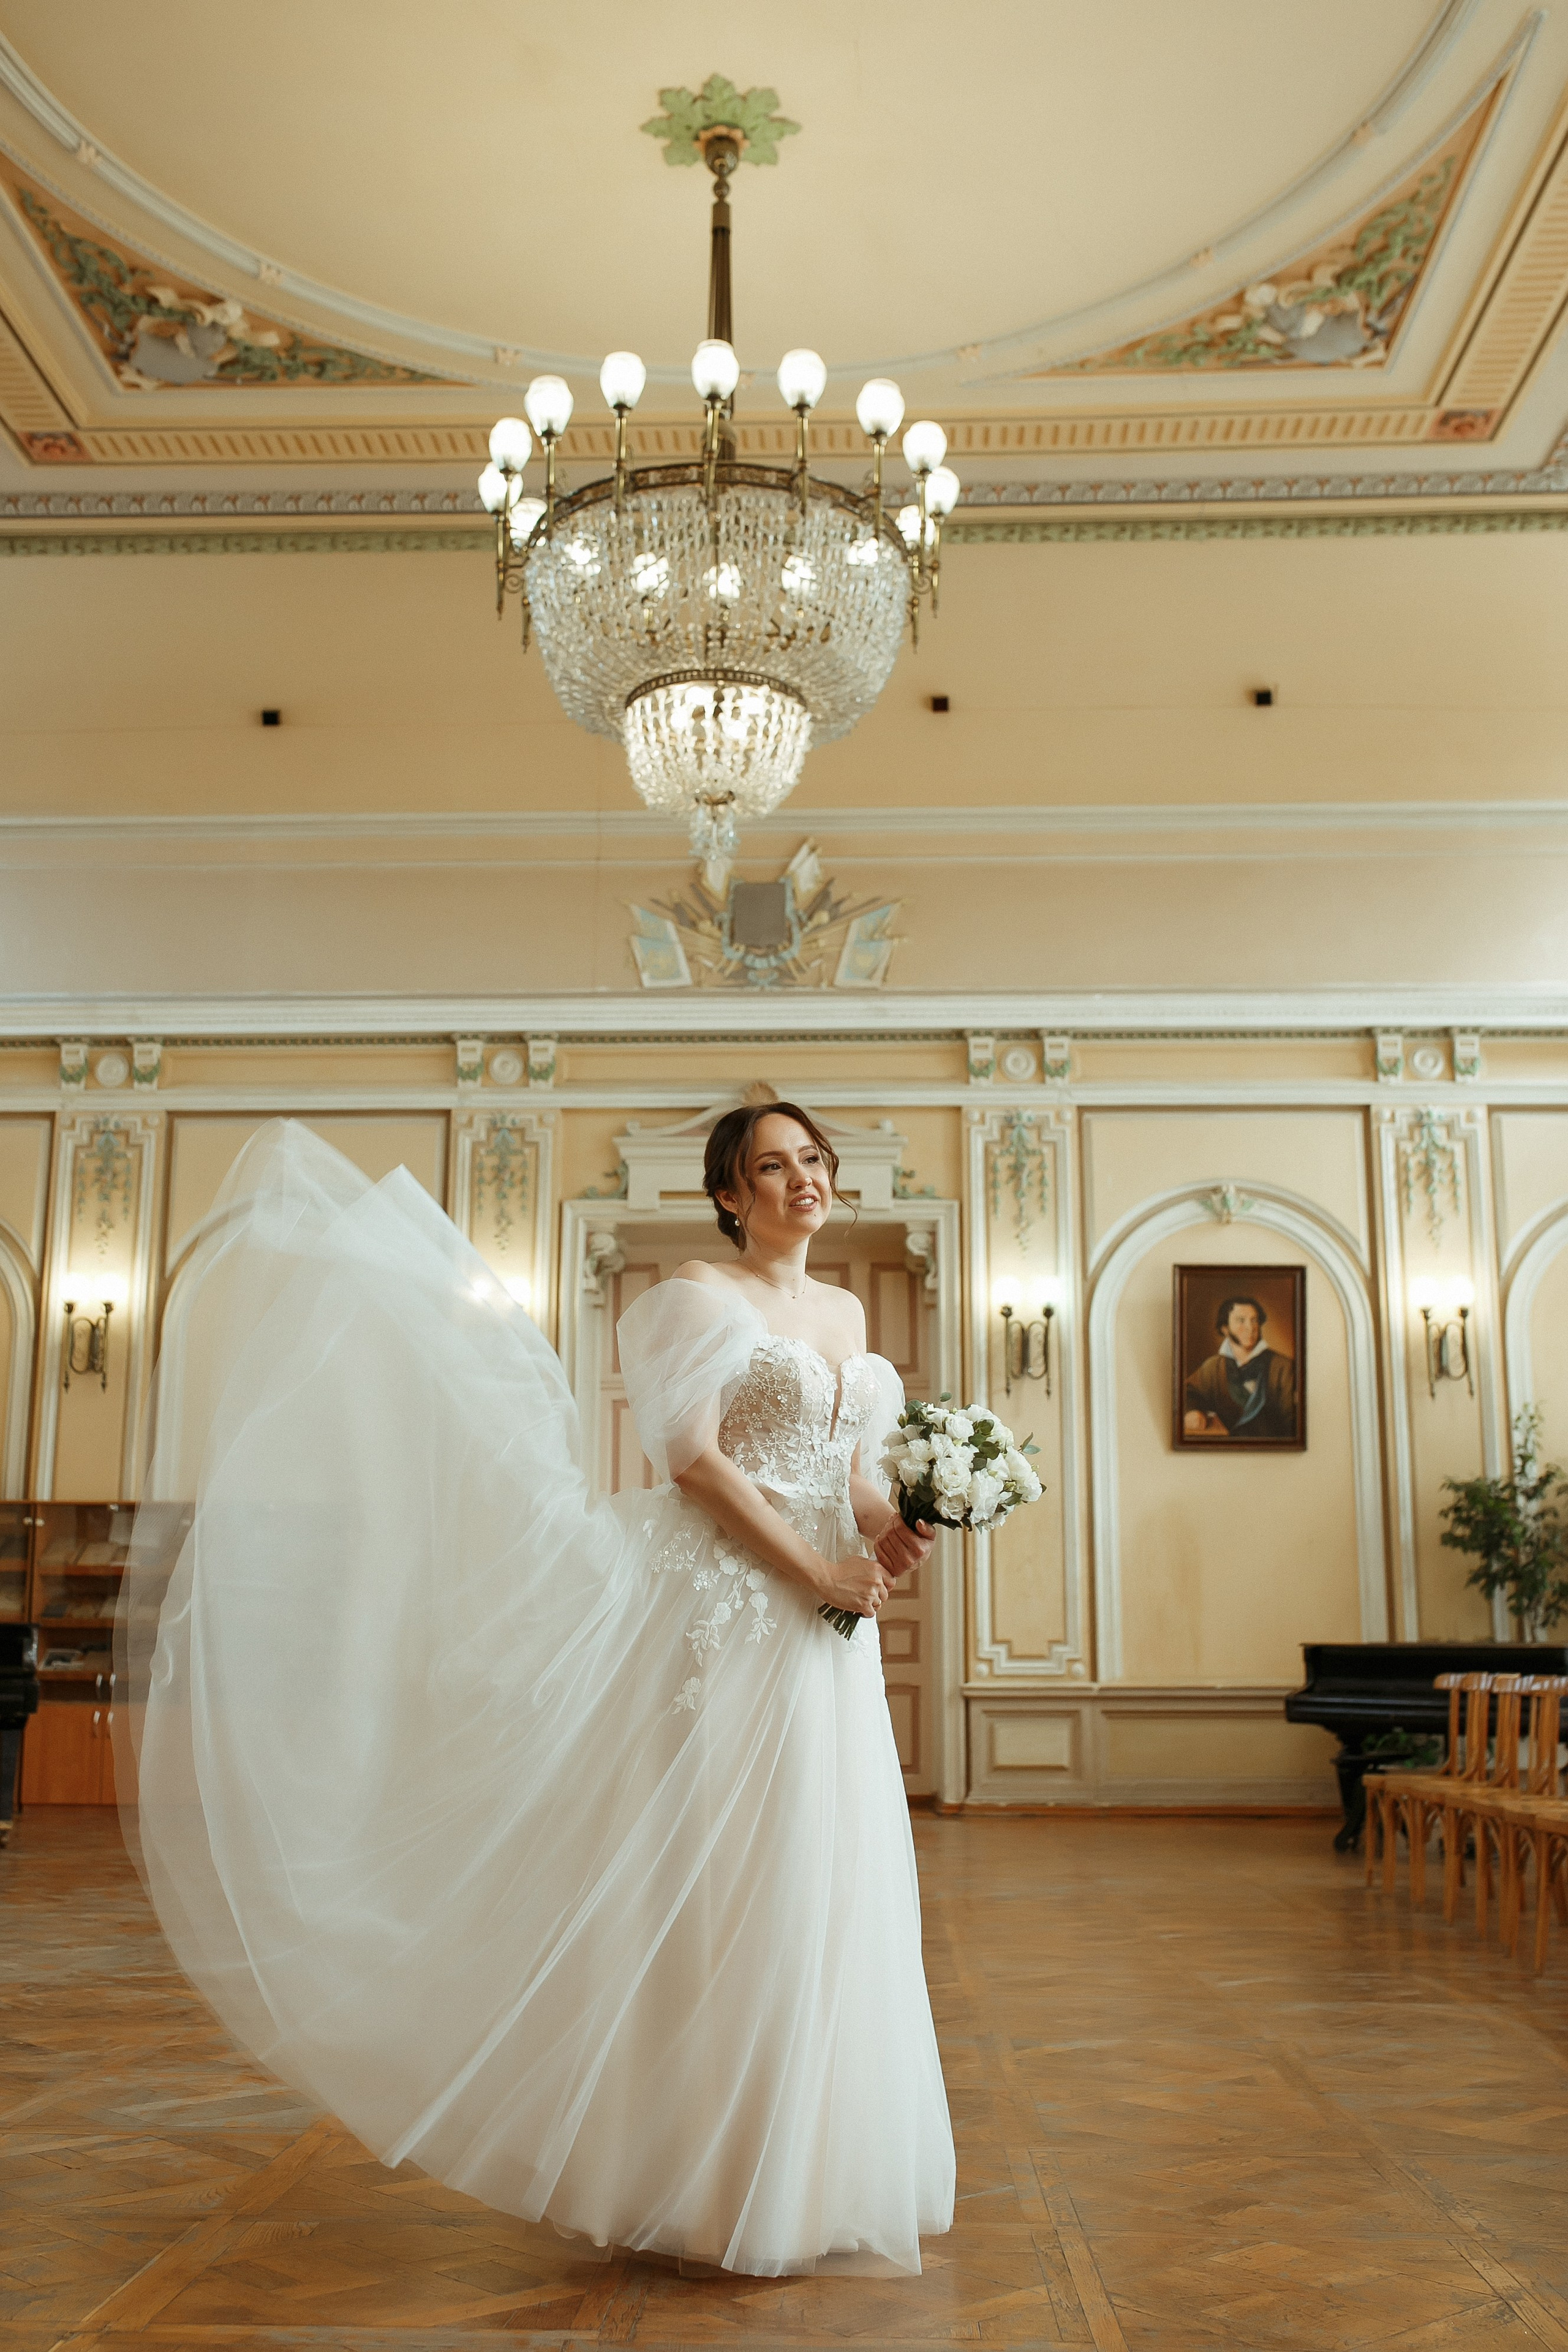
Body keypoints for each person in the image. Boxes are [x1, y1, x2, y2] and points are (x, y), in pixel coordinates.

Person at [116, 1106, 955, 2279]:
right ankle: (699, 2181)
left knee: (824, 1872)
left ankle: (806, 2172)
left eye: (814, 1161)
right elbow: (696, 1463)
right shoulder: (692, 1301)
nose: (801, 1180)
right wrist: (814, 1564)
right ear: (729, 1193)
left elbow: (847, 1470)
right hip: (727, 1622)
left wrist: (892, 1527)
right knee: (724, 1881)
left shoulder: (849, 1314)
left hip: (830, 1638)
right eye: (773, 1165)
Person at [1182, 1293, 1297, 1439]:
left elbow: (1294, 1423)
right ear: (1225, 1328)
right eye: (1241, 1321)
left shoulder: (1283, 1367)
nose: (1250, 1327)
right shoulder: (1213, 1367)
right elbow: (1187, 1393)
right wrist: (1191, 1411)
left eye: (1254, 1320)